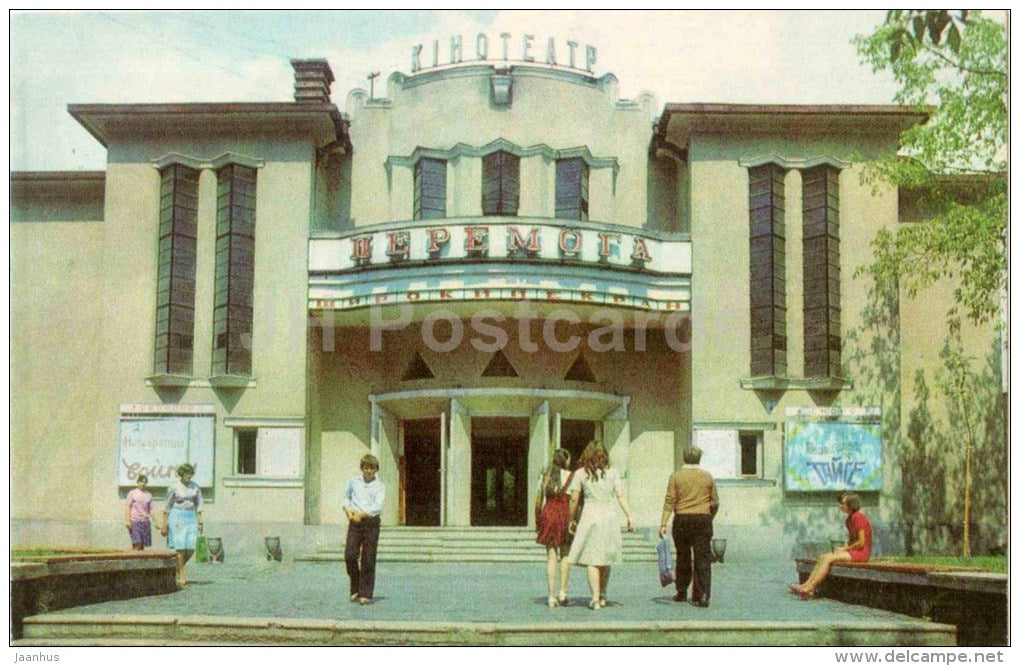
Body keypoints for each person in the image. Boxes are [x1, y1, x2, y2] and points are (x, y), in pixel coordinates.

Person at [566, 441, 634, 610]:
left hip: (590, 515)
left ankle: (595, 598)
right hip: (609, 515)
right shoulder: (613, 472)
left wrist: (571, 518)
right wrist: (629, 516)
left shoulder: (581, 473)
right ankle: (603, 593)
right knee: (605, 557)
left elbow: (574, 498)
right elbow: (620, 495)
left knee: (592, 558)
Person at [659, 446, 719, 607]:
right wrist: (709, 516)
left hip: (682, 520)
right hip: (703, 519)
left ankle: (681, 592)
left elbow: (669, 500)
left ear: (684, 459)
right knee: (703, 558)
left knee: (683, 556)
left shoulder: (676, 477)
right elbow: (715, 502)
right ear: (699, 459)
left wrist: (663, 523)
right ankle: (703, 594)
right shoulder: (708, 477)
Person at [790, 492, 872, 599]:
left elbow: (861, 542)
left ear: (851, 504)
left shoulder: (859, 517)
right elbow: (852, 540)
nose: (840, 506)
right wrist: (843, 549)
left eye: (843, 503)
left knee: (828, 559)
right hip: (854, 551)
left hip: (862, 553)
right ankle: (806, 585)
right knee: (822, 557)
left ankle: (811, 588)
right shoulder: (849, 520)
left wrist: (844, 548)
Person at [343, 453, 386, 605]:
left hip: (371, 523)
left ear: (376, 469)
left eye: (372, 468)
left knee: (368, 558)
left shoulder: (379, 486)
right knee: (350, 555)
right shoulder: (354, 482)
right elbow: (346, 497)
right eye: (366, 467)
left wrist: (362, 515)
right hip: (355, 522)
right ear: (362, 468)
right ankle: (355, 587)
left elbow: (377, 506)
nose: (368, 471)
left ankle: (366, 593)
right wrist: (348, 511)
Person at [535, 448, 575, 608]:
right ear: (565, 461)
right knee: (565, 554)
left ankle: (551, 597)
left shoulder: (545, 477)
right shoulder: (571, 477)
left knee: (551, 556)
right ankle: (563, 592)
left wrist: (538, 520)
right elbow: (574, 501)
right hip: (564, 515)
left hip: (549, 515)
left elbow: (538, 501)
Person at [160, 464, 203, 588]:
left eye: (191, 474)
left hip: (191, 517)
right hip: (177, 517)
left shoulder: (195, 487)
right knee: (180, 548)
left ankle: (176, 568)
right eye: (187, 473)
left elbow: (199, 504)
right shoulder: (174, 487)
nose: (189, 476)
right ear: (181, 474)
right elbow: (167, 506)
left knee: (190, 547)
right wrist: (164, 525)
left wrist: (200, 522)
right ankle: (181, 574)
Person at [125, 474, 156, 551]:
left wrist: (156, 522)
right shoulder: (132, 493)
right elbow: (128, 507)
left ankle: (139, 561)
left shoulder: (149, 495)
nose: (143, 483)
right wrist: (127, 521)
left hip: (145, 522)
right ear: (138, 482)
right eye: (141, 481)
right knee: (137, 543)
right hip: (135, 521)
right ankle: (133, 560)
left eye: (145, 482)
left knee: (142, 545)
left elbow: (151, 510)